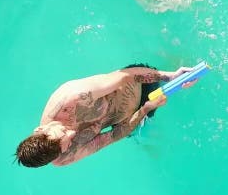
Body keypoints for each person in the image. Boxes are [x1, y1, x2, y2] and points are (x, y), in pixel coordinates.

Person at [15, 64, 198, 167]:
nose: (71, 135)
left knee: (176, 76)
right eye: (68, 143)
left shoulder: (71, 99)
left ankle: (173, 65)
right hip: (135, 114)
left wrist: (169, 77)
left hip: (138, 84)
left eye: (62, 132)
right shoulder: (64, 157)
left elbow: (126, 76)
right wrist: (144, 110)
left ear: (40, 129)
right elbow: (112, 136)